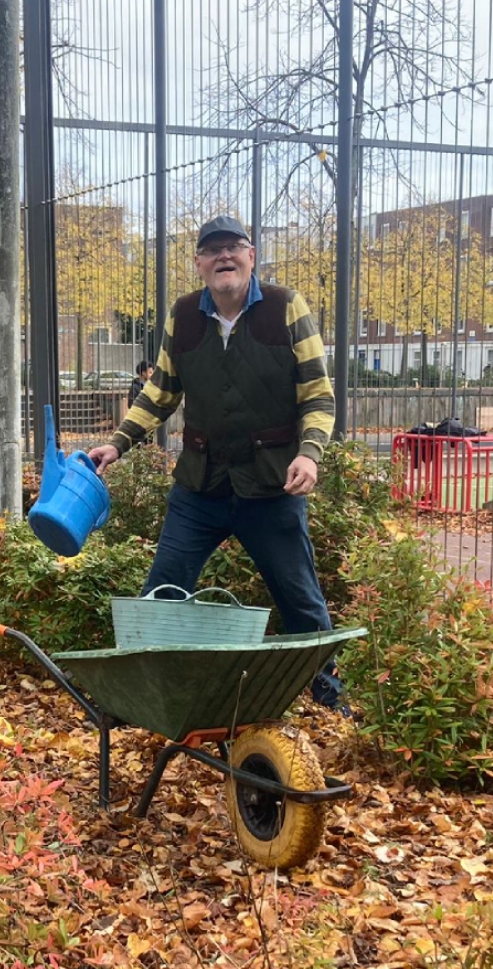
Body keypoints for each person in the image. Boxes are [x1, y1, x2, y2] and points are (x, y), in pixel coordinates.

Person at [90, 215, 348, 712]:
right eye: (212, 251)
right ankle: (145, 699)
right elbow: (160, 392)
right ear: (199, 264)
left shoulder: (286, 308)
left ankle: (328, 698)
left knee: (301, 600)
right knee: (162, 592)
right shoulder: (183, 315)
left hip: (271, 488)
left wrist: (309, 454)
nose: (223, 257)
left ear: (251, 255)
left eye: (233, 248)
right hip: (200, 488)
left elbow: (318, 395)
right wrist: (118, 443)